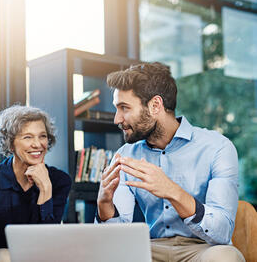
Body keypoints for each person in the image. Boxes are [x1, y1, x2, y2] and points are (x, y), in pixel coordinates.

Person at [96, 62, 244, 262]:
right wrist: (104, 205)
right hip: (150, 249)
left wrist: (171, 191)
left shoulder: (217, 147)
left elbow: (222, 232)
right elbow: (114, 240)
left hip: (202, 248)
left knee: (224, 257)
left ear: (155, 105)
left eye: (124, 108)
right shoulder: (125, 156)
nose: (117, 119)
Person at [0, 105, 72, 262]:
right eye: (28, 137)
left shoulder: (59, 181)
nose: (38, 144)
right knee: (5, 257)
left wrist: (46, 190)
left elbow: (47, 245)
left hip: (39, 257)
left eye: (42, 136)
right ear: (10, 144)